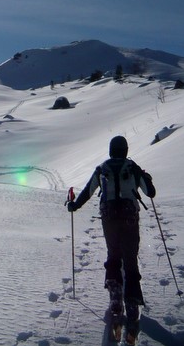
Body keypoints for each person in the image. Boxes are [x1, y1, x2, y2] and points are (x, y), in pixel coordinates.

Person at [67, 136, 155, 344]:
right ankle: (132, 305)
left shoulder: (102, 168)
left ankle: (116, 299)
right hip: (129, 218)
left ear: (110, 150)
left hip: (109, 218)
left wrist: (74, 206)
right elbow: (150, 192)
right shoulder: (132, 167)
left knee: (113, 256)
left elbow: (88, 192)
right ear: (125, 150)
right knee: (130, 259)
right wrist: (146, 178)